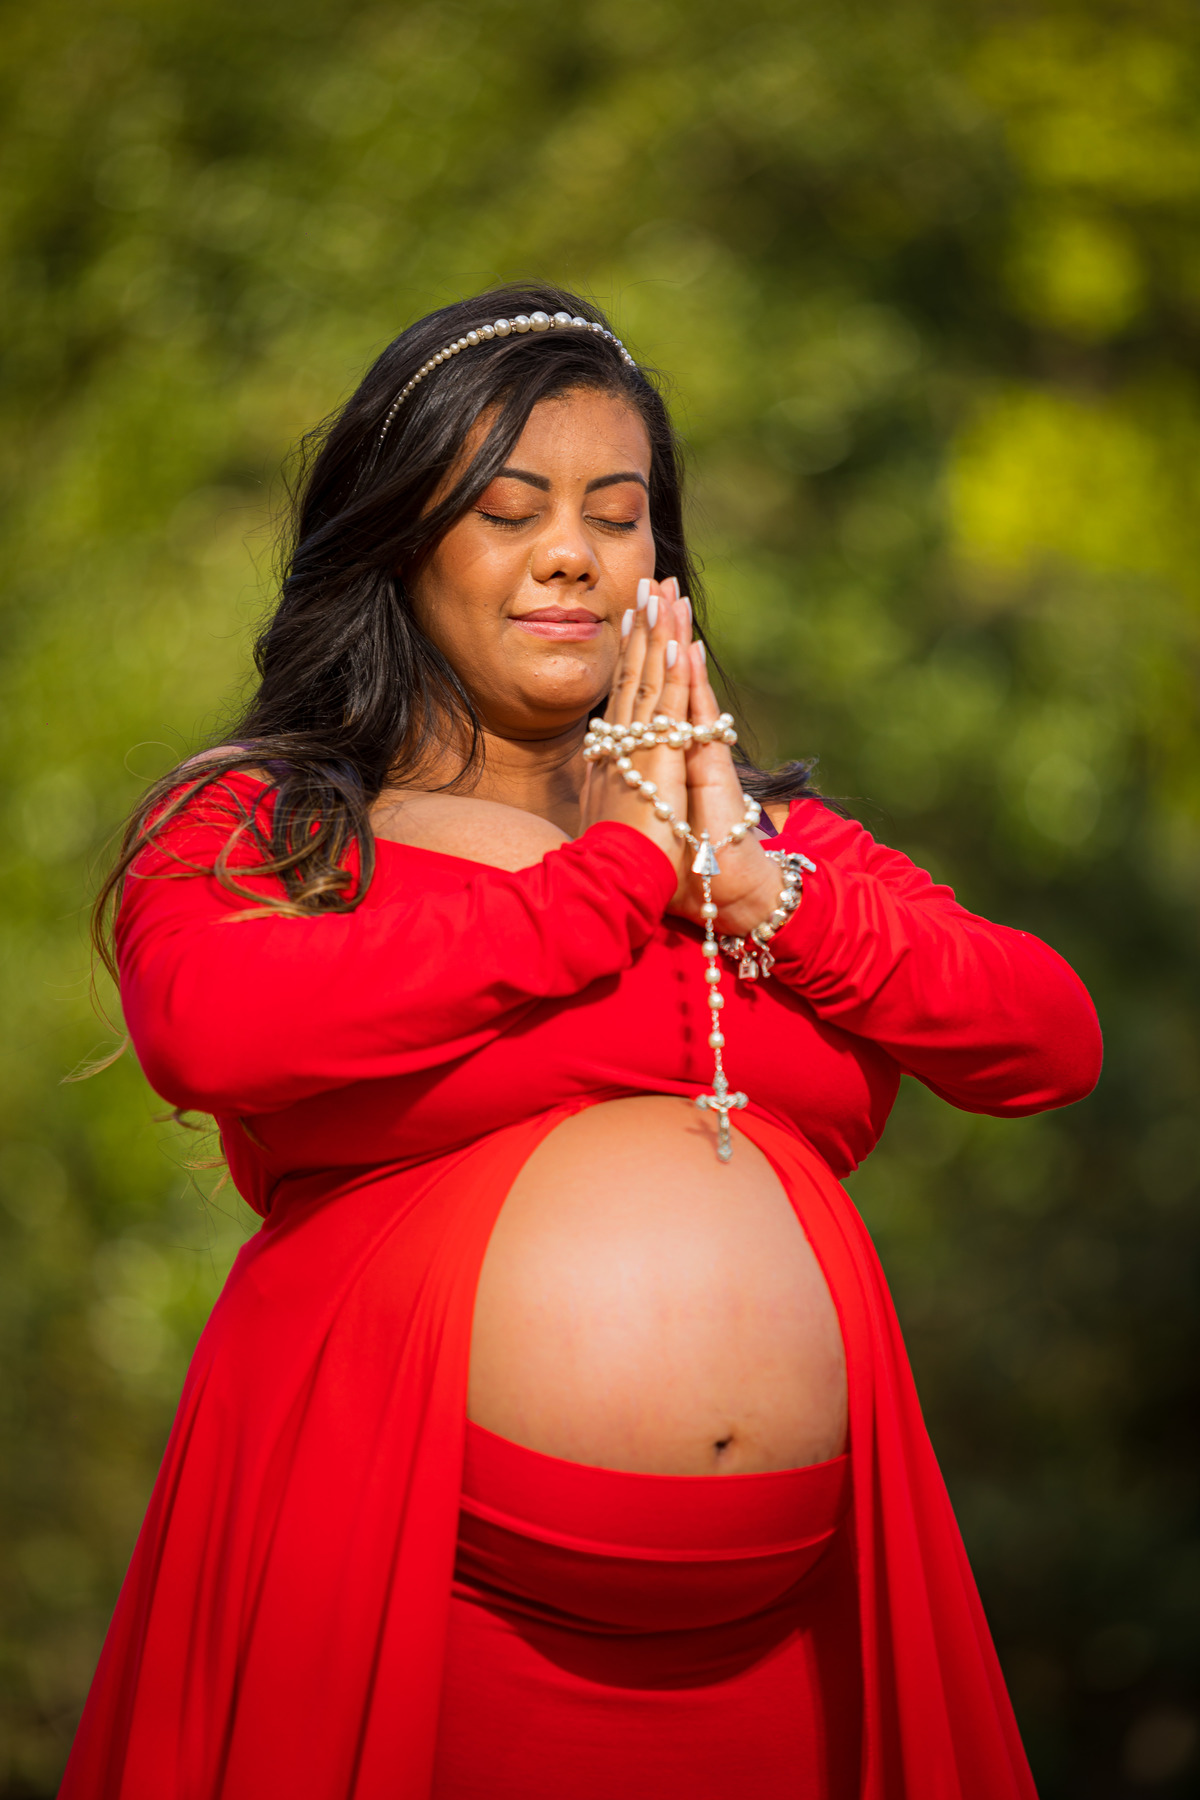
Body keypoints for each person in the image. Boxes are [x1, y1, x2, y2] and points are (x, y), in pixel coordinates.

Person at [61, 284, 1102, 1800]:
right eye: (507, 507)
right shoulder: (271, 826)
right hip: (407, 1580)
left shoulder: (761, 839)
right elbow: (212, 1033)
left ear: (659, 566)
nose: (570, 552)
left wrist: (743, 878)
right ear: (404, 540)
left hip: (793, 1644)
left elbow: (1041, 1039)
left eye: (617, 517)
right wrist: (613, 877)